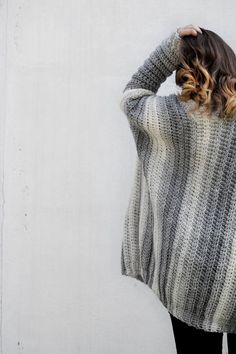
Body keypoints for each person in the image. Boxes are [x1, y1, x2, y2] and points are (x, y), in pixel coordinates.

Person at [120, 23, 236, 354]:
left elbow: (134, 92)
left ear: (186, 70)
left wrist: (173, 45)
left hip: (192, 273)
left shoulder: (171, 115)